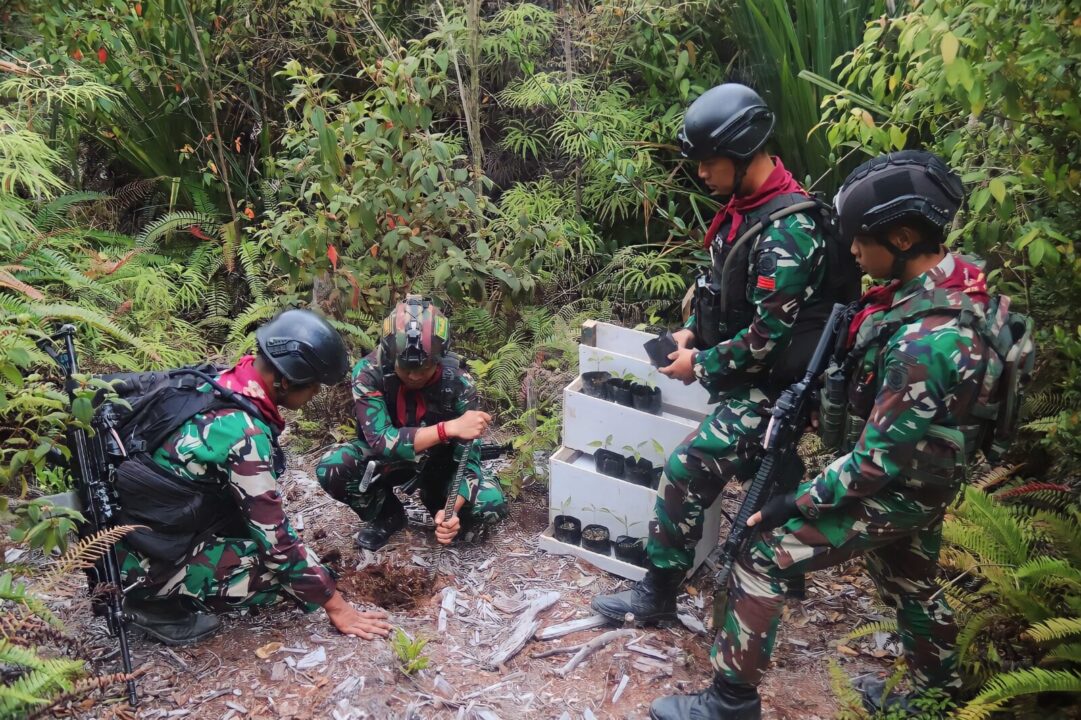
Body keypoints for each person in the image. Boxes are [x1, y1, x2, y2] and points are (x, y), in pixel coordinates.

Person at [649, 150, 985, 718]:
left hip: (897, 483)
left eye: (860, 240)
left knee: (763, 553)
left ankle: (731, 701)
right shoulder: (952, 290)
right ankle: (939, 699)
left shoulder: (925, 340)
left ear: (902, 237)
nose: (851, 252)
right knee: (909, 579)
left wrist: (795, 501)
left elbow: (873, 465)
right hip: (929, 474)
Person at [593, 82, 844, 624]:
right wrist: (690, 334)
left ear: (741, 154)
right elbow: (721, 295)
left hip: (776, 388)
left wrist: (698, 364)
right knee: (770, 473)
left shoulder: (788, 233)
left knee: (688, 467)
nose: (702, 174)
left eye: (709, 163)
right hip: (755, 374)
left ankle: (657, 594)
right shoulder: (745, 210)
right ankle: (781, 578)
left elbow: (764, 337)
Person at [114, 309, 392, 646]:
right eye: (314, 386)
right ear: (286, 380)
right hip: (143, 563)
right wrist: (336, 605)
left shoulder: (219, 381)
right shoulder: (243, 432)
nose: (313, 396)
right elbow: (276, 542)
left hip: (141, 535)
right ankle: (153, 604)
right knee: (299, 581)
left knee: (305, 569)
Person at [316, 295, 508, 551]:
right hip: (386, 463)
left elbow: (468, 462)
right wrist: (447, 429)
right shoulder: (368, 373)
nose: (414, 375)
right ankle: (386, 515)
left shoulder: (459, 384)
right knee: (333, 466)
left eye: (425, 366)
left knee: (490, 505)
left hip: (440, 467)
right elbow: (382, 441)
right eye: (405, 367)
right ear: (390, 355)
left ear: (440, 356)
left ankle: (436, 502)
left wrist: (452, 509)